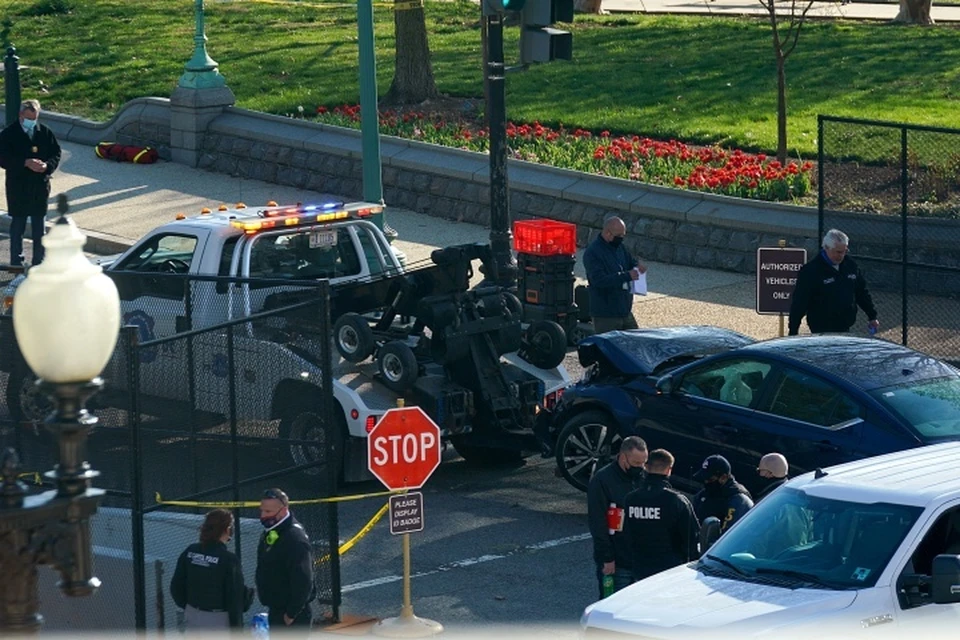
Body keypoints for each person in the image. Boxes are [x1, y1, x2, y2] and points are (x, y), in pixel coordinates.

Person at [0, 99, 61, 266]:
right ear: (21, 115)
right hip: (18, 187)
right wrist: (25, 162)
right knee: (18, 226)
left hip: (39, 186)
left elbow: (55, 153)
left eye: (35, 118)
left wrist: (47, 166)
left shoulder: (44, 132)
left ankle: (38, 263)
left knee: (39, 228)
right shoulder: (8, 134)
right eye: (28, 118)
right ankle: (16, 263)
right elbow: (3, 158)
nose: (32, 121)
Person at [624, 449, 700, 582]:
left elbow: (624, 532)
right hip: (669, 571)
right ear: (669, 470)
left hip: (638, 569)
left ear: (646, 467)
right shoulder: (677, 501)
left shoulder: (631, 499)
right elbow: (691, 538)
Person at [586, 436, 648, 598]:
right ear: (622, 457)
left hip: (641, 561)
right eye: (636, 464)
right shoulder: (602, 481)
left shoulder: (644, 478)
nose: (640, 468)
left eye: (643, 463)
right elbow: (598, 523)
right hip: (617, 562)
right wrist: (607, 558)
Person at [170, 508, 251, 631]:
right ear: (227, 529)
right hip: (217, 620)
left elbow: (176, 586)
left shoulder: (190, 551)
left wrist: (189, 607)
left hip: (192, 614)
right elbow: (234, 599)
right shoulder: (229, 559)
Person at [788, 229, 879, 336]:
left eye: (845, 251)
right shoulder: (811, 271)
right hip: (821, 328)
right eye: (838, 252)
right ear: (826, 248)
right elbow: (800, 302)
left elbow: (861, 292)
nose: (841, 255)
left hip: (845, 324)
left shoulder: (850, 266)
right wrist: (793, 331)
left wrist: (872, 316)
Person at [255, 488, 314, 634]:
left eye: (268, 512)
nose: (263, 516)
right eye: (262, 511)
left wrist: (291, 613)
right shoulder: (273, 531)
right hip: (277, 609)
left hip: (291, 616)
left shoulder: (295, 539)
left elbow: (304, 580)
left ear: (283, 510)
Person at [583, 215, 647, 334]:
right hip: (605, 313)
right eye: (619, 236)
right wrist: (627, 276)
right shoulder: (593, 253)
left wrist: (637, 266)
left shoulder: (619, 247)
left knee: (635, 342)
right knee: (608, 349)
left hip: (624, 309)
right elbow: (599, 280)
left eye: (623, 235)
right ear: (608, 233)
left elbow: (629, 261)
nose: (621, 238)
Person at [692, 454, 753, 533]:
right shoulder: (703, 495)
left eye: (710, 479)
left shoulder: (738, 500)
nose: (706, 482)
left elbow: (731, 534)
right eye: (704, 479)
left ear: (723, 477)